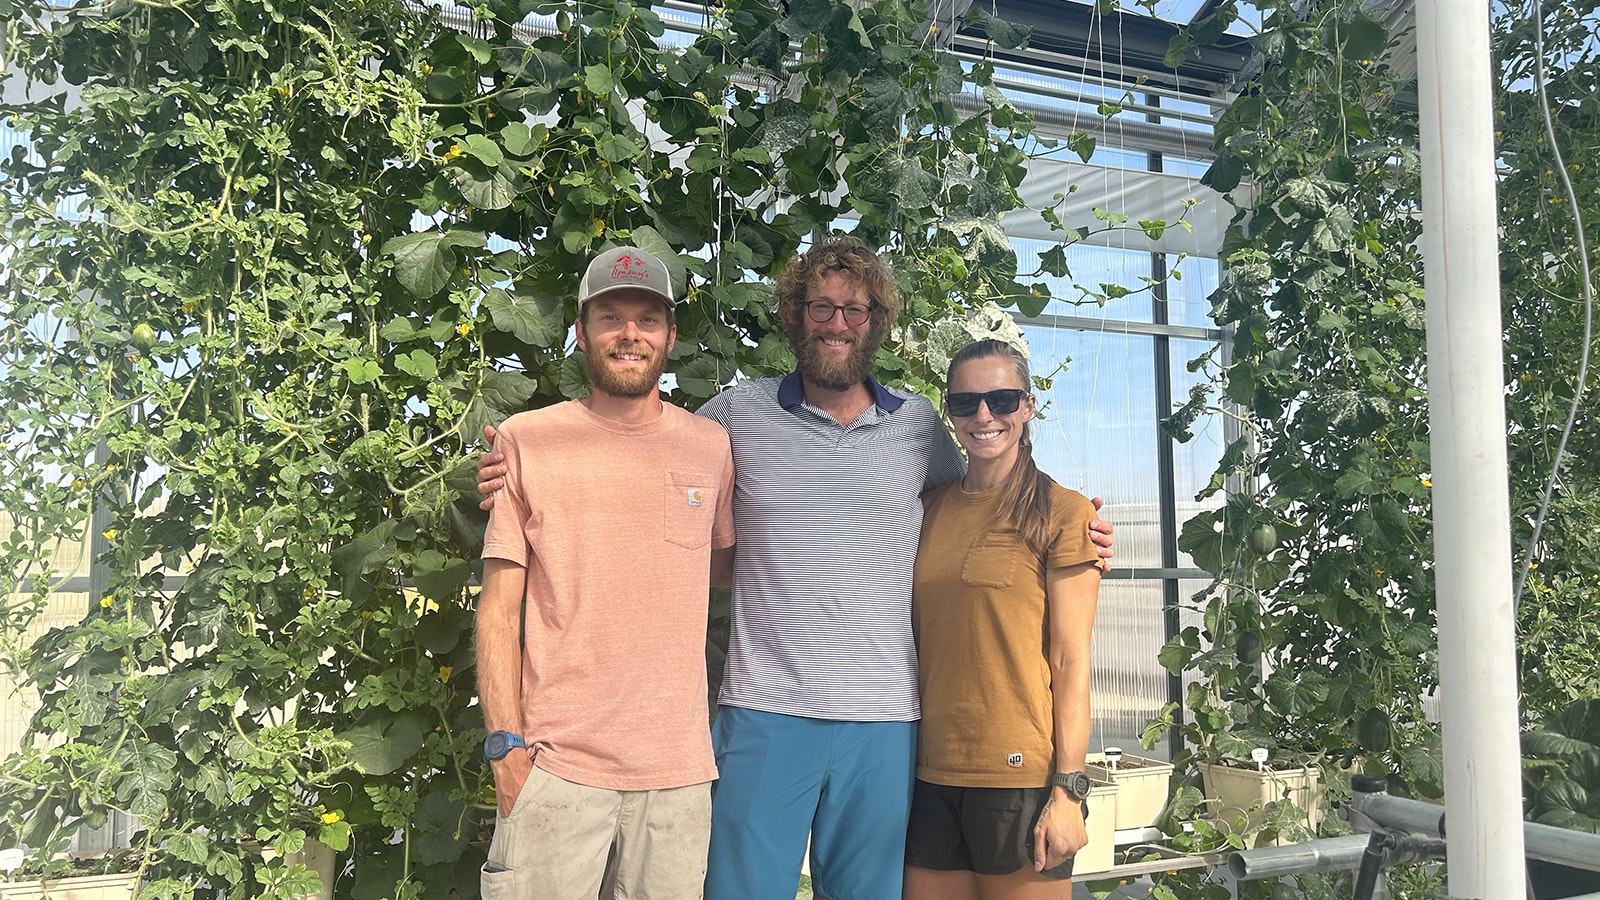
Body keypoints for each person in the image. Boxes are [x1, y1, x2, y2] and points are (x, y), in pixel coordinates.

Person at [477, 235, 1114, 900]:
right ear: (795, 315)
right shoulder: (732, 417)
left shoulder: (920, 428)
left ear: (876, 323)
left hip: (884, 722)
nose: (837, 323)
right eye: (820, 307)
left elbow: (978, 502)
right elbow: (645, 452)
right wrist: (511, 463)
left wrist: (1074, 525)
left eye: (855, 310)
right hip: (764, 715)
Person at [475, 245, 736, 900]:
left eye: (648, 319)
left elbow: (728, 568)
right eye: (610, 317)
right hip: (555, 770)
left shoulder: (710, 446)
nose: (629, 334)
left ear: (671, 336)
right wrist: (505, 749)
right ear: (581, 331)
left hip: (678, 778)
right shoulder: (525, 442)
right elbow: (499, 611)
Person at [904, 338, 1103, 900]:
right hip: (928, 773)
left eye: (1002, 399)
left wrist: (1069, 791)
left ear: (1028, 406)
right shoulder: (927, 509)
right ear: (950, 412)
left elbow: (1070, 660)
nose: (984, 416)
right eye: (965, 403)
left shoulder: (1064, 512)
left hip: (1019, 777)